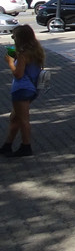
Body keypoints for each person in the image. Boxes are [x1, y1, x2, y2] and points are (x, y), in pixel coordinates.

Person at [3, 25, 45, 157]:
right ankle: (7, 145)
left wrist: (10, 62)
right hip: (31, 88)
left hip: (21, 88)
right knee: (14, 118)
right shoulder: (35, 51)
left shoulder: (23, 55)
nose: (13, 39)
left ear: (20, 38)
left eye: (14, 36)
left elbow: (18, 74)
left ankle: (26, 146)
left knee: (22, 119)